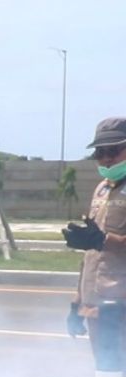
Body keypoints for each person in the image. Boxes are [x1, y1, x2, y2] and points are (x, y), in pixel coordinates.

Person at [63, 117, 126, 354]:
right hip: (97, 303)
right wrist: (77, 302)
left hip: (122, 305)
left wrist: (103, 241)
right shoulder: (102, 188)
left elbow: (100, 242)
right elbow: (91, 253)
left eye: (114, 150)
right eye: (100, 152)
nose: (106, 158)